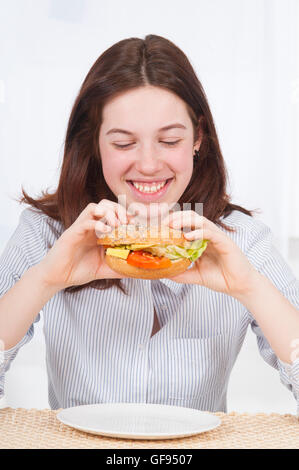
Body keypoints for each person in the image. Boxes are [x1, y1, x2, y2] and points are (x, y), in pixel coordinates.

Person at [0, 35, 298, 413]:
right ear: (94, 143)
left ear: (198, 137)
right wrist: (45, 279)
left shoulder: (242, 239)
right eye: (124, 144)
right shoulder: (45, 232)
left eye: (169, 140)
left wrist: (250, 287)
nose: (149, 164)